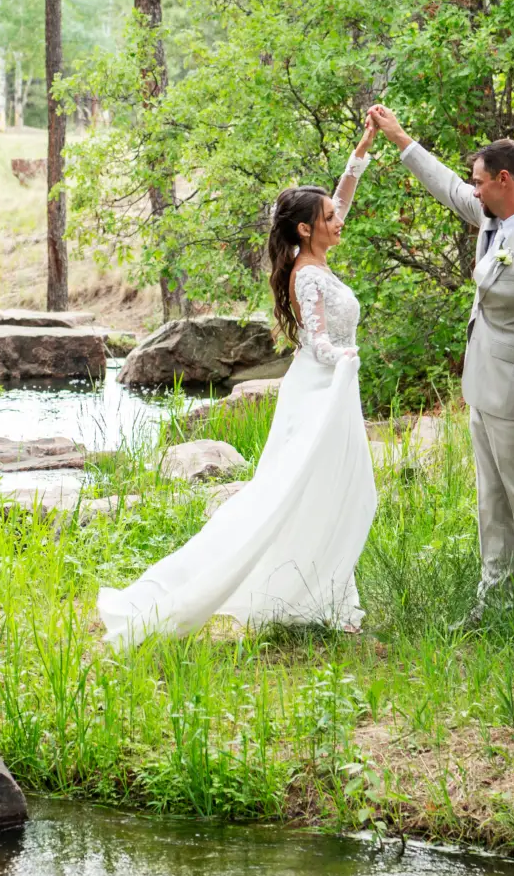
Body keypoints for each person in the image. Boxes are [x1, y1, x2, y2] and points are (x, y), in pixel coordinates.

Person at [96, 123, 381, 649]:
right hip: (320, 390)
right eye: (329, 218)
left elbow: (339, 198)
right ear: (305, 230)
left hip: (332, 389)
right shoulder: (307, 275)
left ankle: (327, 593)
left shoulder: (315, 254)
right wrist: (345, 356)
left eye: (335, 213)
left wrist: (360, 152)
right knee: (293, 492)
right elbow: (316, 341)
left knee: (335, 489)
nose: (339, 220)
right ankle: (288, 591)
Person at [366, 105, 514, 622]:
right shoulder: (495, 216)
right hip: (482, 390)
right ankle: (494, 604)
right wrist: (400, 139)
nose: (472, 190)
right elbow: (449, 189)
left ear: (505, 180)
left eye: (479, 182)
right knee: (492, 508)